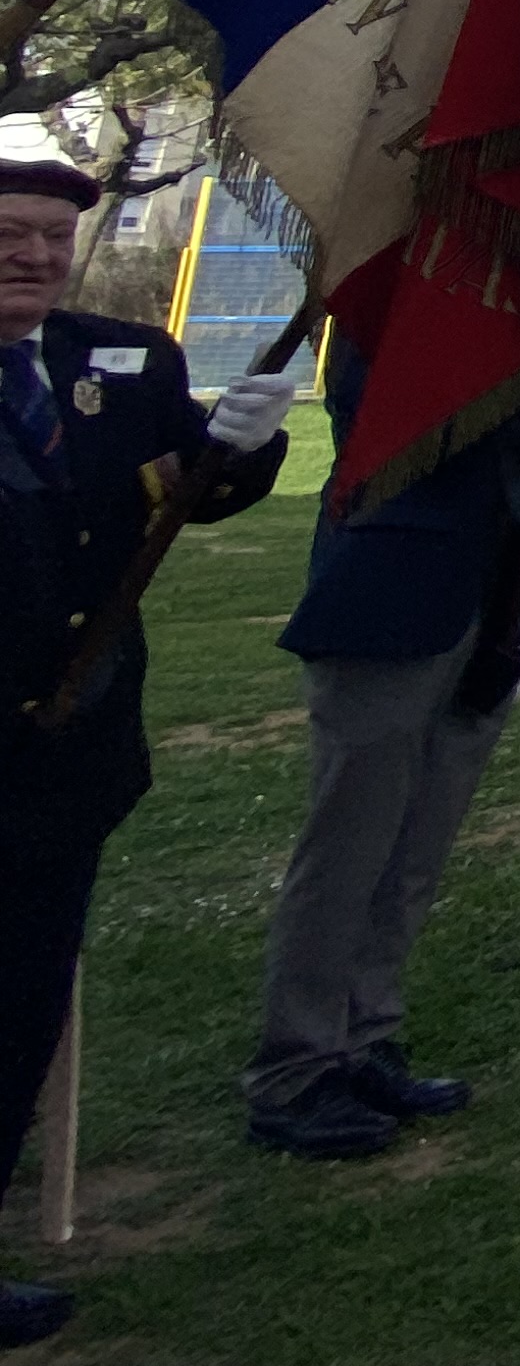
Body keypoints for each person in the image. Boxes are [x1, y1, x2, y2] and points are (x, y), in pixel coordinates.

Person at [3, 156, 294, 1339]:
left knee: (22, 1003)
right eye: (11, 235)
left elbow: (187, 491)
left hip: (72, 751)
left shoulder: (117, 362)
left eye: (48, 240)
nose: (32, 257)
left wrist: (241, 448)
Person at [247, 330, 520, 1158]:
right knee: (351, 846)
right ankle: (299, 1065)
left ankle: (366, 1033)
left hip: (490, 600)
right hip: (390, 595)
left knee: (418, 846)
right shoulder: (400, 307)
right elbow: (383, 419)